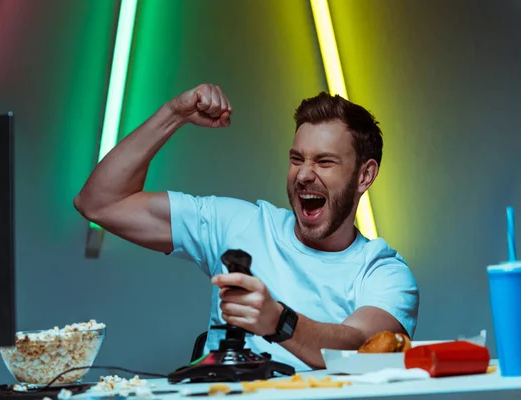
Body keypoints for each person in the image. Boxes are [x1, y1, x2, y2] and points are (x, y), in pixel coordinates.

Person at [74, 83, 419, 372]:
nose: (303, 175)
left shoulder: (383, 272)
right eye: (296, 159)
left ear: (364, 175)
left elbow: (362, 348)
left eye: (324, 161)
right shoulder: (240, 225)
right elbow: (100, 203)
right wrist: (174, 114)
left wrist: (278, 322)